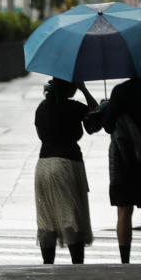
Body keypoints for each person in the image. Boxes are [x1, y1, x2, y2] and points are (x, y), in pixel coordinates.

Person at [90, 74, 141, 264]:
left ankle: (125, 262)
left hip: (122, 160)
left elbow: (109, 126)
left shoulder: (121, 91)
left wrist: (108, 106)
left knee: (124, 211)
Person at [33, 77, 98, 264]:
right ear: (70, 87)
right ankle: (77, 266)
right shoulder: (73, 107)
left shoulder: (42, 108)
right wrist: (85, 90)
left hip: (43, 166)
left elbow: (40, 135)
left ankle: (48, 266)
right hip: (66, 165)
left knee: (47, 218)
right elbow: (94, 122)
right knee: (71, 218)